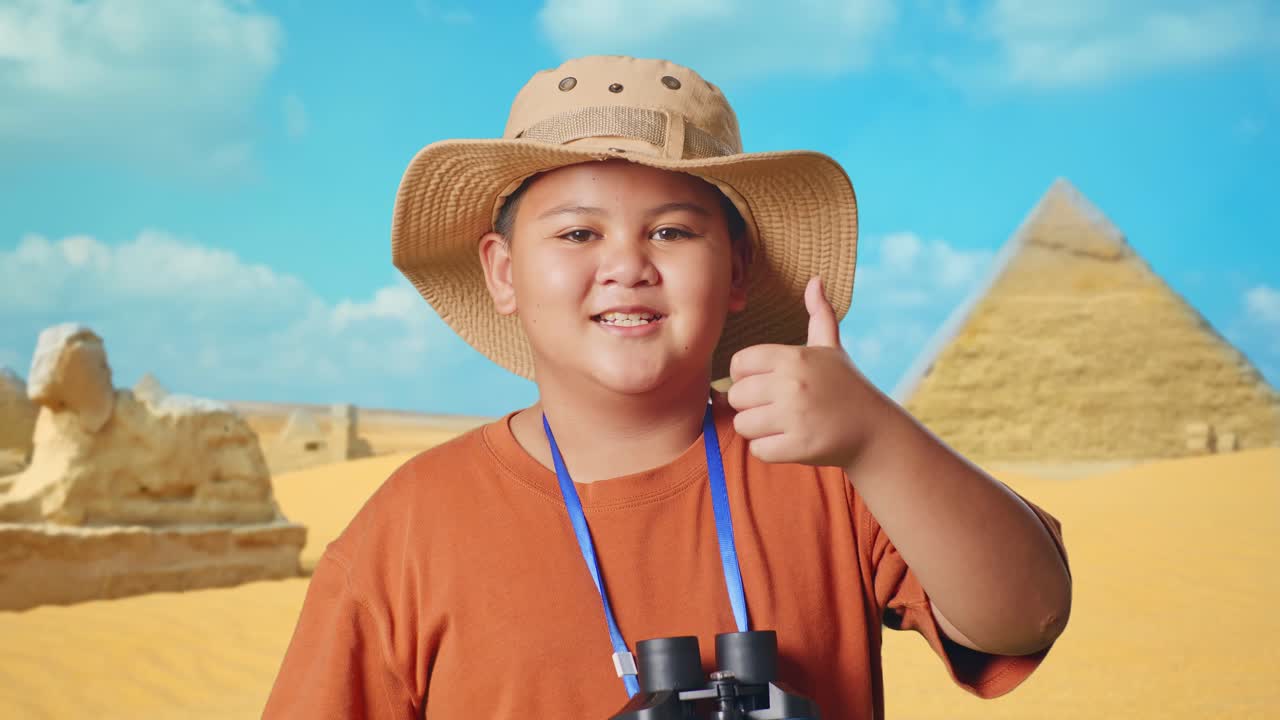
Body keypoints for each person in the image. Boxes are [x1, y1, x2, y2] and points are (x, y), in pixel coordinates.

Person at [263, 55, 1071, 719]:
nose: (626, 265)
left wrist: (876, 437)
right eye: (579, 232)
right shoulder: (408, 531)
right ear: (503, 272)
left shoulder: (837, 477)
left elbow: (1025, 613)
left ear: (738, 270)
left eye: (672, 231)